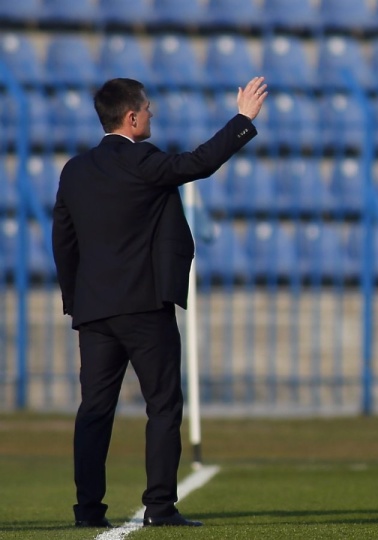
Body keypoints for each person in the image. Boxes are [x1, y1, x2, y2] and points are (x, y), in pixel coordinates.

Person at [52, 77, 267, 528]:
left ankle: (88, 511)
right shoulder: (142, 161)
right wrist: (243, 120)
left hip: (94, 311)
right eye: (147, 108)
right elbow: (198, 163)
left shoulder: (75, 170)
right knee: (164, 405)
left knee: (94, 410)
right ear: (131, 118)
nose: (152, 114)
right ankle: (160, 507)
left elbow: (63, 242)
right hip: (144, 306)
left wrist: (77, 301)